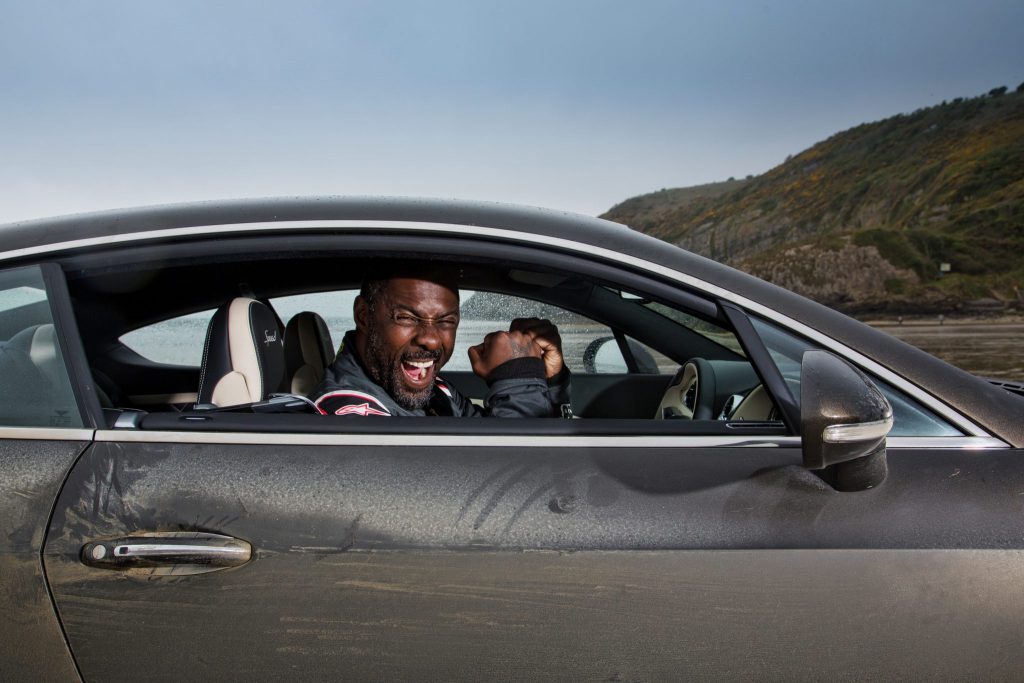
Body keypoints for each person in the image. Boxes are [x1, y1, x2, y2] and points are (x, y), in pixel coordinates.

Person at [308, 264, 570, 417]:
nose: (432, 341)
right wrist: (517, 376)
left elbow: (485, 436)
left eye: (446, 321)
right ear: (364, 316)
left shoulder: (436, 390)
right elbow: (509, 483)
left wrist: (546, 381)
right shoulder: (347, 414)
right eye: (407, 318)